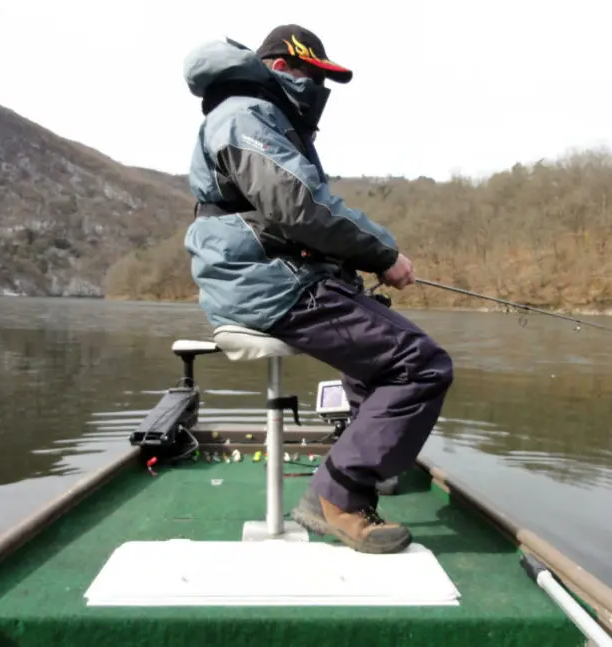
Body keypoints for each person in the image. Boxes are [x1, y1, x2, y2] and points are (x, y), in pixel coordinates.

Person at [182, 25, 454, 554]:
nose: (321, 94)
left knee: (377, 347)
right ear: (282, 69)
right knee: (421, 365)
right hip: (268, 284)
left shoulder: (252, 116)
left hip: (270, 277)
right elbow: (300, 206)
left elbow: (291, 216)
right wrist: (384, 254)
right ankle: (338, 496)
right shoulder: (246, 116)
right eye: (316, 79)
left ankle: (360, 463)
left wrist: (350, 268)